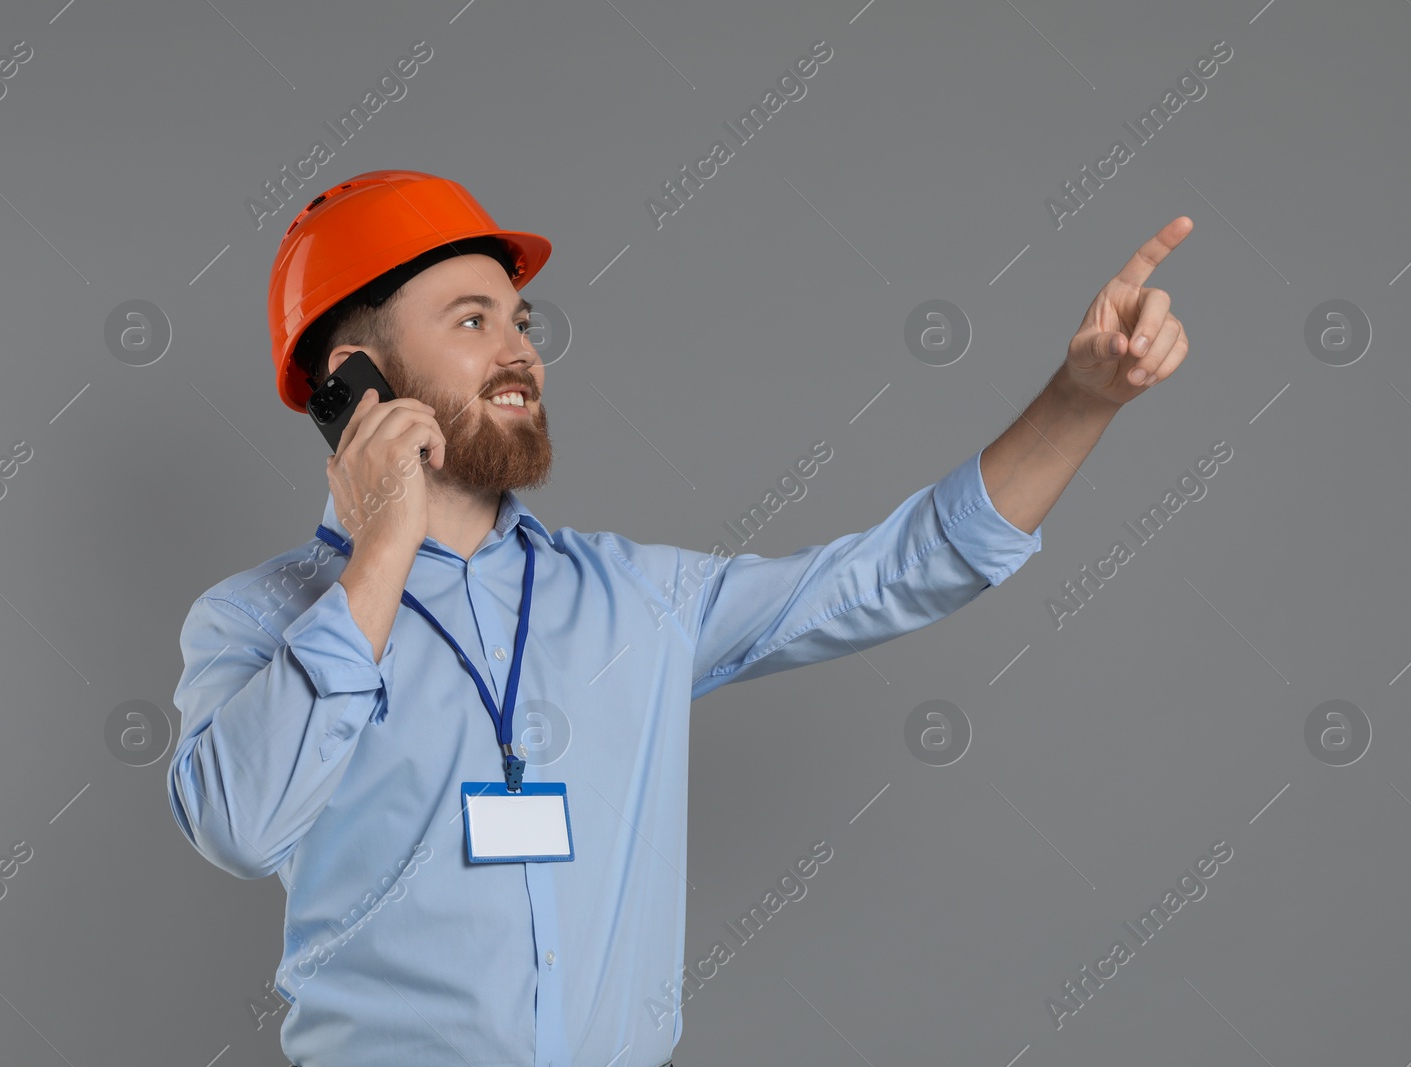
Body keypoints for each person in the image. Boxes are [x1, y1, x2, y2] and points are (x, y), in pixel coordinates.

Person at [167, 169, 1192, 1067]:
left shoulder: (636, 596)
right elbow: (239, 826)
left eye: (520, 322)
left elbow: (903, 569)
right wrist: (382, 544)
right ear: (357, 378)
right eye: (471, 320)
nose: (520, 349)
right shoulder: (255, 618)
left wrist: (1082, 396)